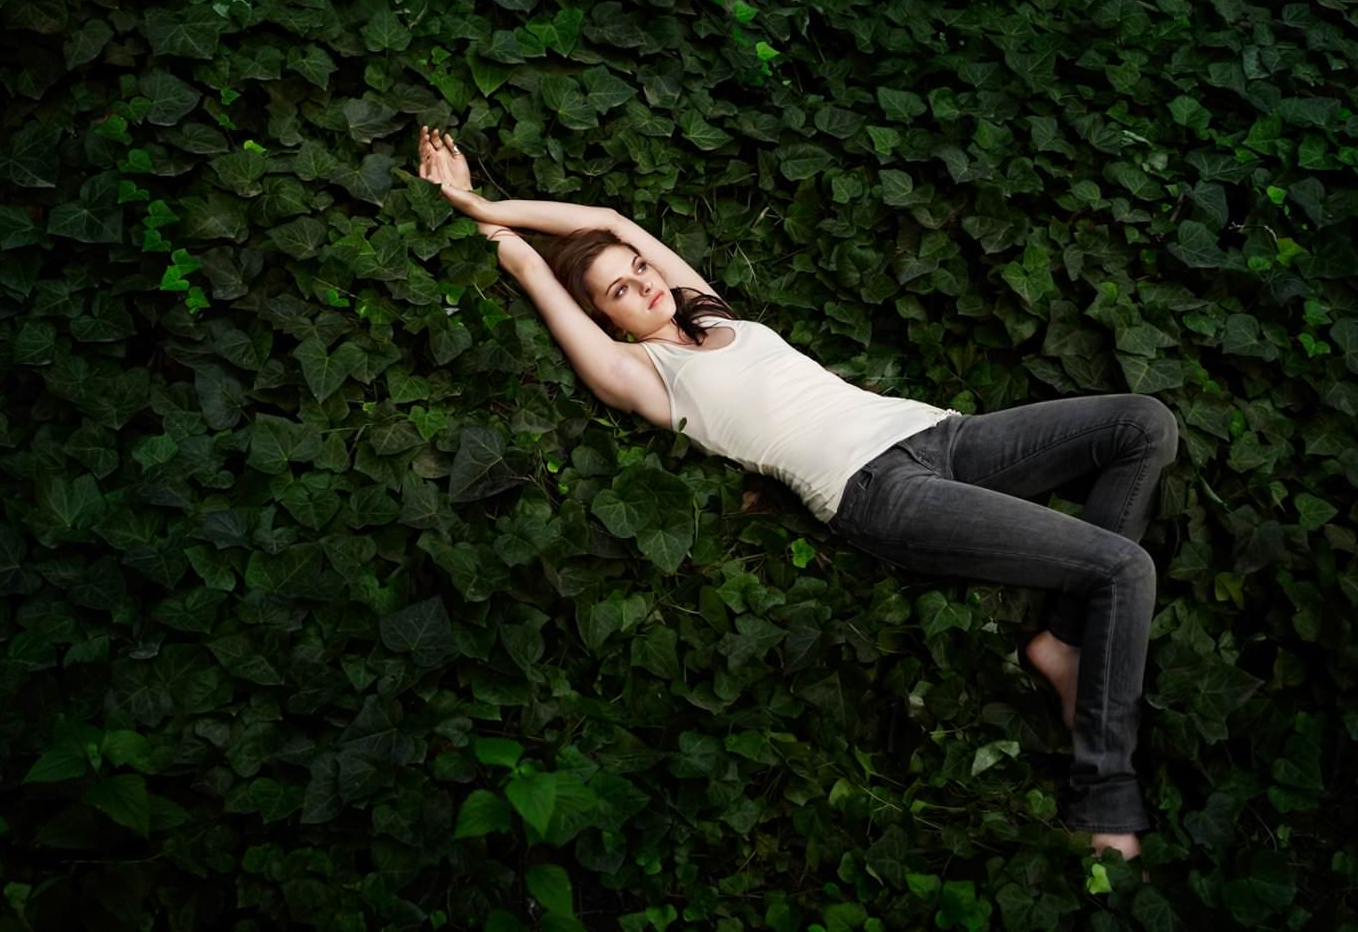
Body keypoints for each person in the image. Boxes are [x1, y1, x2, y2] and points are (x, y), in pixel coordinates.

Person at [415, 126, 1178, 862]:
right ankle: (1105, 796)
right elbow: (528, 266)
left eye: (641, 269)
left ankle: (1064, 640)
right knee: (1124, 568)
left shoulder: (709, 310)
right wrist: (473, 212)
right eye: (621, 289)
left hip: (940, 435)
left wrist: (504, 202)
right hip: (877, 490)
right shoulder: (640, 374)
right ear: (601, 319)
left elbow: (612, 219)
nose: (645, 283)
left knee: (1143, 423)